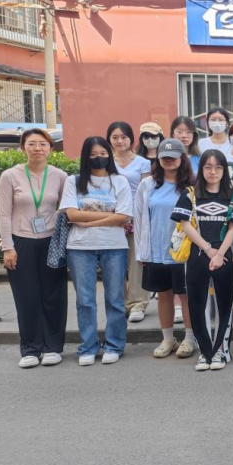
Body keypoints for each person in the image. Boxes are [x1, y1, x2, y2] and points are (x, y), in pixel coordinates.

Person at [0, 128, 68, 368]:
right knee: (26, 295)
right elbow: (3, 213)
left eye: (42, 144)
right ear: (23, 148)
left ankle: (53, 347)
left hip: (51, 241)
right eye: (32, 144)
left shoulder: (60, 176)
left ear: (50, 149)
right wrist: (8, 247)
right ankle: (30, 348)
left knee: (53, 295)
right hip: (21, 241)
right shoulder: (10, 176)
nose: (37, 148)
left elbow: (66, 209)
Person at [60, 137, 133, 366]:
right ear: (85, 157)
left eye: (102, 153)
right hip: (80, 247)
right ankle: (88, 347)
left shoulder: (119, 181)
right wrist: (109, 216)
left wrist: (89, 221)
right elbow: (72, 214)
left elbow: (124, 217)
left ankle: (114, 345)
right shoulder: (73, 181)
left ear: (109, 155)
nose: (98, 158)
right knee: (85, 300)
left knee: (115, 299)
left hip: (114, 246)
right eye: (92, 154)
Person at [174, 149, 233, 371]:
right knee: (197, 304)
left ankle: (220, 349)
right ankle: (204, 351)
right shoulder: (190, 194)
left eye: (218, 167)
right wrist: (208, 249)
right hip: (197, 254)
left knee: (224, 304)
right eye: (208, 167)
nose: (213, 172)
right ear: (201, 169)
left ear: (224, 170)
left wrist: (220, 254)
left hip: (224, 255)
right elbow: (185, 224)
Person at [135, 138, 196, 359]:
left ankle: (190, 338)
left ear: (182, 158)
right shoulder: (147, 185)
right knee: (163, 295)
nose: (169, 161)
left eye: (173, 157)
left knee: (185, 295)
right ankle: (168, 338)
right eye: (164, 157)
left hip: (183, 252)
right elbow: (139, 217)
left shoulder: (192, 186)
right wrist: (142, 250)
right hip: (156, 250)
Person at [107, 121, 152, 324]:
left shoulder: (143, 162)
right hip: (112, 217)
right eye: (115, 137)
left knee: (136, 261)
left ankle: (138, 303)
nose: (119, 141)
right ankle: (120, 303)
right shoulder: (106, 161)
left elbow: (146, 191)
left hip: (135, 216)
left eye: (123, 137)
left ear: (131, 139)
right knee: (114, 262)